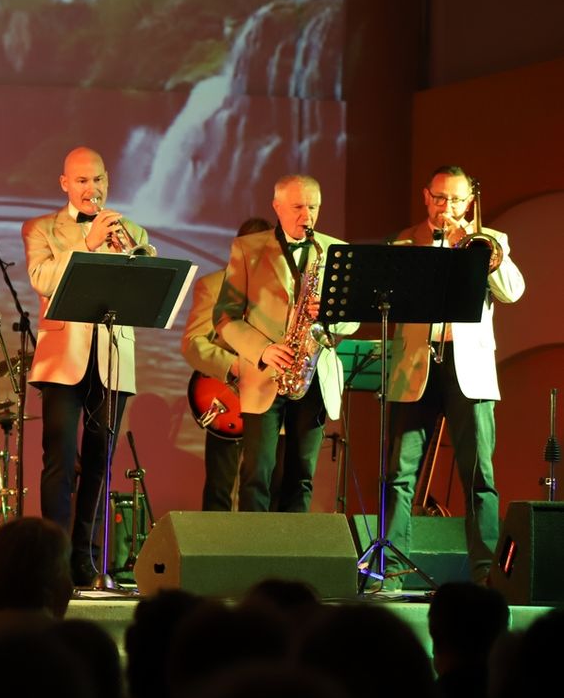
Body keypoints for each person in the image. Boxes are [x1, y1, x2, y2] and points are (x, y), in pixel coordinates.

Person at [383, 166, 524, 583]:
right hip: (416, 367)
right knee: (399, 474)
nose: (447, 207)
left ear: (470, 202)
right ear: (426, 197)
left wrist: (475, 250)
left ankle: (486, 575)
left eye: (457, 200)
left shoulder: (491, 240)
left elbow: (513, 292)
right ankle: (391, 571)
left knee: (479, 476)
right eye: (440, 198)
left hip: (470, 370)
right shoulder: (404, 241)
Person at [23, 146, 152, 585]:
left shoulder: (132, 230)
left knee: (101, 463)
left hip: (113, 357)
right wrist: (87, 243)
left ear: (107, 181)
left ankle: (87, 559)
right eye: (81, 181)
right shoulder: (41, 228)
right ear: (65, 184)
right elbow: (41, 279)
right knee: (59, 461)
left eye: (97, 180)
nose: (91, 189)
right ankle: (54, 558)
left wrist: (137, 259)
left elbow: (147, 291)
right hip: (64, 359)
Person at [214, 175, 359, 513]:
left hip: (313, 374)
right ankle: (253, 546)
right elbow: (224, 317)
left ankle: (295, 546)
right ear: (277, 207)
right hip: (264, 374)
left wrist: (331, 315)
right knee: (256, 474)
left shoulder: (336, 250)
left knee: (302, 475)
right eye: (298, 207)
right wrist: (263, 350)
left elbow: (351, 322)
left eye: (313, 207)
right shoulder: (247, 248)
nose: (307, 216)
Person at [180, 216, 271, 511]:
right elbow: (193, 343)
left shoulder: (282, 290)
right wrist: (233, 366)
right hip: (227, 397)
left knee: (266, 483)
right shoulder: (214, 285)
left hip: (271, 397)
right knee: (220, 487)